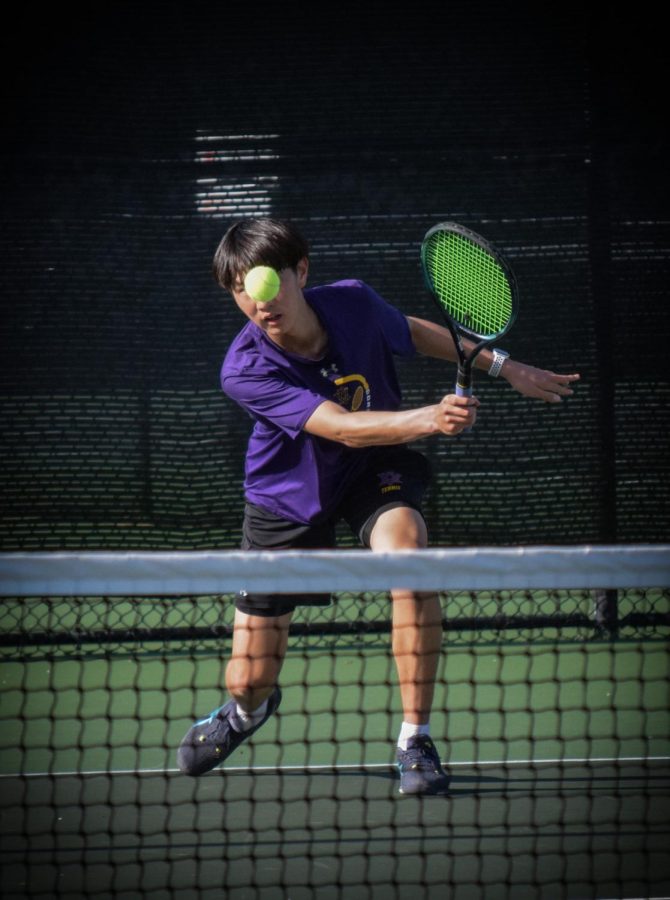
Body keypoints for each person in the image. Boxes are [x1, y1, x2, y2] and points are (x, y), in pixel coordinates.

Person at [177, 217, 579, 794]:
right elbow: (340, 427)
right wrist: (428, 419)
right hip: (288, 495)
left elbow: (411, 331)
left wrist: (502, 364)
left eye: (264, 280)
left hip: (374, 470)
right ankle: (246, 712)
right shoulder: (244, 369)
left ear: (300, 272)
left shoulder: (353, 302)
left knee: (409, 560)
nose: (255, 300)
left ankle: (415, 740)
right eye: (239, 288)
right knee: (248, 678)